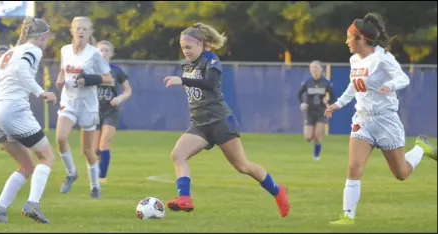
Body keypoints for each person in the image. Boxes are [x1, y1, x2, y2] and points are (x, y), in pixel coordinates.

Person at [162, 23, 290, 218]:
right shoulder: (186, 64)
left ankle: (278, 191)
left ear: (201, 44)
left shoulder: (211, 60)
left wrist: (182, 80)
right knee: (177, 155)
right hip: (199, 124)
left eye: (189, 47)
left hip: (220, 121)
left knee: (242, 166)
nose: (185, 51)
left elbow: (210, 83)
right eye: (183, 47)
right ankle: (185, 199)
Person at [325, 13, 437, 225]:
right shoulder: (354, 59)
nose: (346, 41)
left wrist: (390, 86)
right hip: (363, 120)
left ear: (362, 39)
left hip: (386, 121)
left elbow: (403, 77)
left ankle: (421, 148)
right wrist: (338, 103)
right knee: (353, 168)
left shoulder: (382, 57)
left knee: (401, 173)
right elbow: (353, 84)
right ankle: (347, 217)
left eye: (349, 37)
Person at [0, 16, 57, 224]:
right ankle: (33, 204)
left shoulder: (11, 52)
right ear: (43, 36)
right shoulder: (33, 50)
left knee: (26, 166)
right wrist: (41, 92)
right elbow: (22, 70)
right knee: (47, 157)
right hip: (13, 110)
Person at [55, 16, 113, 199]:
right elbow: (63, 70)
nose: (81, 31)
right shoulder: (64, 50)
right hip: (69, 102)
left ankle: (95, 186)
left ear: (90, 33)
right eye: (78, 28)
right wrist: (60, 78)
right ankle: (72, 173)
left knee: (87, 150)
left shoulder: (94, 54)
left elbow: (108, 79)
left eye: (85, 29)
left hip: (88, 106)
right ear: (71, 30)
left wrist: (88, 79)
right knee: (60, 138)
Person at [94, 40, 132, 184]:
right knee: (93, 149)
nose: (103, 53)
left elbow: (128, 90)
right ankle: (96, 171)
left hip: (110, 111)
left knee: (104, 144)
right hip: (94, 112)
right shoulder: (90, 70)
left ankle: (101, 178)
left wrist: (120, 98)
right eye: (100, 50)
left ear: (111, 54)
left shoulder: (116, 70)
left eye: (106, 50)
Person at [297, 60, 334, 161]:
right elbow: (299, 94)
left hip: (321, 112)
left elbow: (332, 96)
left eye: (316, 68)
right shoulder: (307, 82)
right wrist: (302, 103)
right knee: (308, 138)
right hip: (310, 112)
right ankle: (312, 132)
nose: (315, 70)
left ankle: (316, 156)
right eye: (312, 68)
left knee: (318, 137)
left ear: (321, 69)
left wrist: (328, 100)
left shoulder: (326, 83)